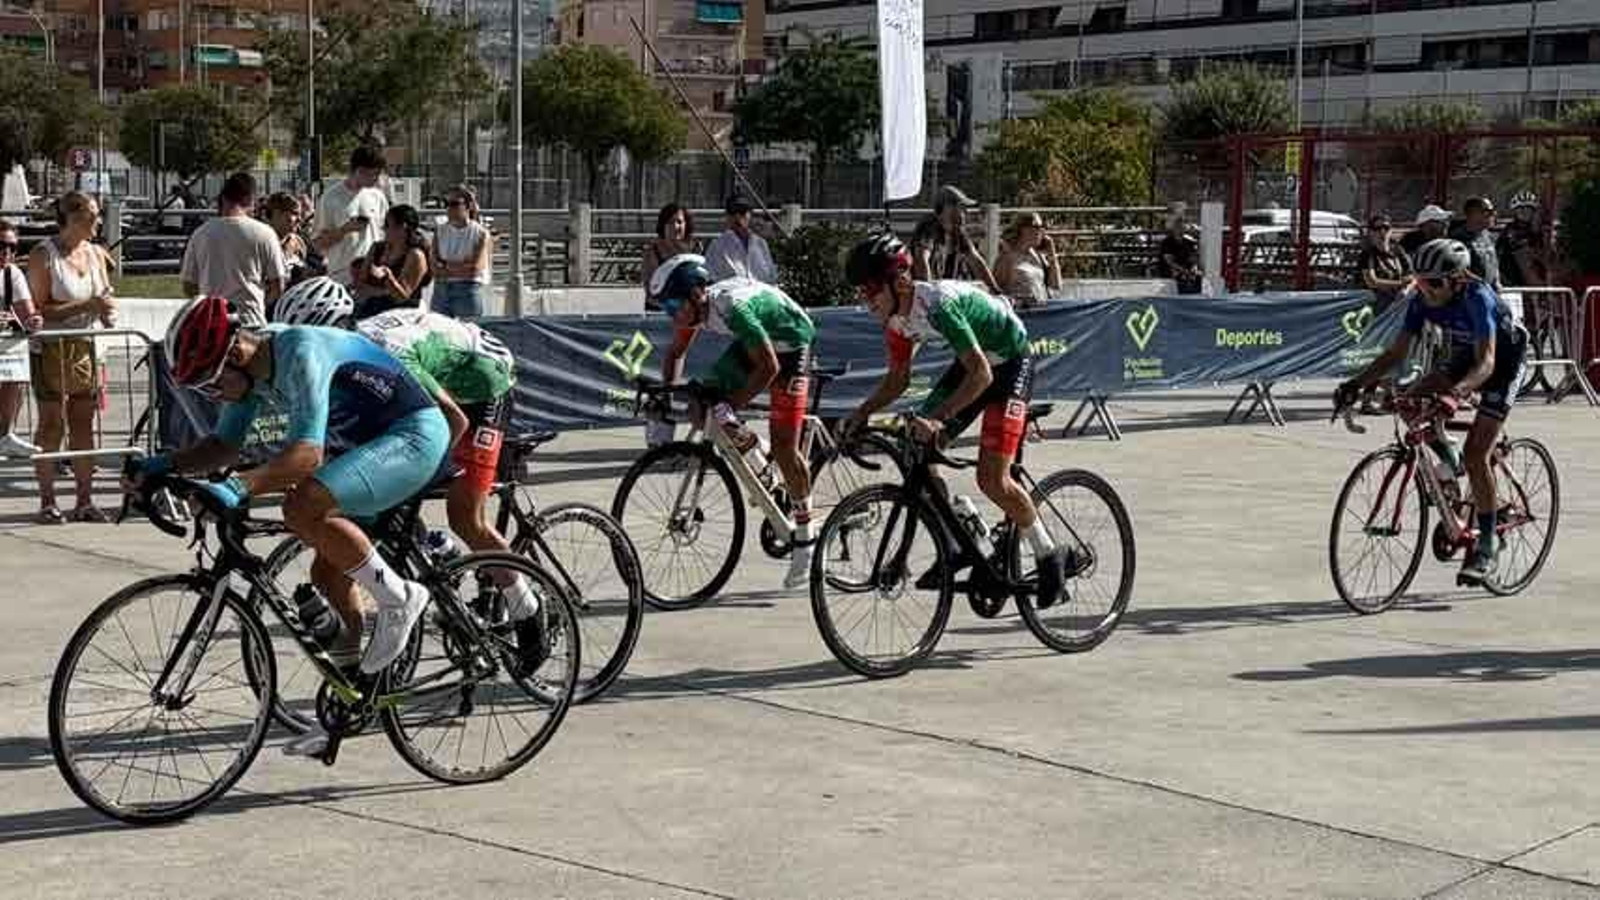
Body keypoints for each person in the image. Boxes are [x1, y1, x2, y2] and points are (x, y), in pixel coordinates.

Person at [131, 295, 548, 687]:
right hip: (389, 430)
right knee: (326, 570)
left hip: (474, 388)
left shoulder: (300, 351)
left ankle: (514, 604)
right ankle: (352, 680)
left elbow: (309, 455)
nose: (212, 395)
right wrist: (161, 465)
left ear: (235, 355)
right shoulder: (253, 369)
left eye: (209, 384)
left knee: (458, 514)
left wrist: (237, 487)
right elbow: (224, 444)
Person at [840, 233, 1072, 607]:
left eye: (869, 289)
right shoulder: (897, 319)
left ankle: (1049, 555)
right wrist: (862, 412)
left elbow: (982, 375)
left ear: (899, 282)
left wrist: (941, 422)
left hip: (1010, 364)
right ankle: (956, 541)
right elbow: (898, 379)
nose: (865, 299)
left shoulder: (939, 305)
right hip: (974, 365)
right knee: (918, 448)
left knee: (992, 479)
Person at [1337, 239, 1528, 587]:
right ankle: (1448, 460)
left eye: (1434, 283)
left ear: (1457, 279)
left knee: (1476, 454)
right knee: (1410, 402)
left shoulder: (1477, 297)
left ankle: (1487, 545)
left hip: (1502, 363)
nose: (1425, 289)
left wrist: (1455, 396)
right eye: (1420, 281)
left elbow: (1487, 363)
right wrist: (1356, 383)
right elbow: (1395, 353)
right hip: (1462, 357)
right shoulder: (1421, 300)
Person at [652, 254, 819, 588]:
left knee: (785, 445)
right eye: (666, 309)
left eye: (673, 305)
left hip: (792, 343)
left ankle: (806, 537)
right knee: (706, 400)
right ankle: (760, 456)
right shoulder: (694, 311)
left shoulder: (731, 307)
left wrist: (732, 406)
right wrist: (667, 397)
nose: (673, 315)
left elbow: (770, 368)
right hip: (759, 343)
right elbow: (675, 353)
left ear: (696, 294)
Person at [28, 192, 115, 524]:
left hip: (88, 348)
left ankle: (84, 500)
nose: (99, 220)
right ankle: (47, 500)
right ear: (73, 218)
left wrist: (106, 310)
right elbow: (38, 309)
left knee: (83, 424)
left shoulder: (95, 253)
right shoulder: (43, 255)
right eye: (93, 215)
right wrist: (87, 306)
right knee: (51, 425)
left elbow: (104, 295)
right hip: (50, 348)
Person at [179, 173, 287, 327]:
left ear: (223, 199)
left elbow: (188, 285)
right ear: (250, 199)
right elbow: (278, 285)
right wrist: (260, 303)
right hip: (251, 321)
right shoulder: (265, 233)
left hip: (212, 325)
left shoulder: (200, 234)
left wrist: (208, 305)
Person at [312, 144, 389, 290]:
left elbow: (385, 237)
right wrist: (344, 230)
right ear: (359, 170)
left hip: (372, 278)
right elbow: (317, 243)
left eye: (378, 174)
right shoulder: (330, 198)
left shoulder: (377, 196)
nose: (377, 179)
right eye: (374, 174)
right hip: (342, 279)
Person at [0, 220, 43, 458]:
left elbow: (29, 313)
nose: (7, 252)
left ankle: (5, 435)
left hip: (3, 346)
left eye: (13, 247)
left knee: (14, 372)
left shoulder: (12, 273)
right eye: (1, 246)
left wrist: (34, 320)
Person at [910, 184, 1002, 294]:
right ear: (948, 208)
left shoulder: (958, 231)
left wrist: (996, 291)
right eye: (962, 208)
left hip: (944, 292)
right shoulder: (929, 226)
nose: (966, 213)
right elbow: (921, 259)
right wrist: (930, 292)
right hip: (924, 295)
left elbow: (976, 261)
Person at [353, 204, 430, 319]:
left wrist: (388, 277)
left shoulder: (415, 255)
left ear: (403, 227)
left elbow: (402, 297)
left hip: (402, 317)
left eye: (387, 224)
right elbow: (360, 284)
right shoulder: (377, 248)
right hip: (371, 312)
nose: (383, 228)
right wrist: (384, 291)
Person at [431, 185, 492, 319]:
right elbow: (434, 269)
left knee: (470, 333)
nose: (448, 208)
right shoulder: (439, 231)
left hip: (468, 289)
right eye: (446, 204)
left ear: (468, 206)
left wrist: (445, 265)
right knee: (440, 335)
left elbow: (475, 269)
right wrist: (462, 266)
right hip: (441, 290)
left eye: (454, 204)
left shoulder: (481, 233)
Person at [705, 194, 778, 285]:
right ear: (727, 216)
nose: (738, 217)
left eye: (742, 212)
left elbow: (771, 277)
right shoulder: (717, 246)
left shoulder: (761, 244)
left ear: (750, 215)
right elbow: (710, 277)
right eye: (733, 212)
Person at [993, 212, 1061, 309]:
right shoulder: (1007, 257)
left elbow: (1056, 285)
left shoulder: (1038, 256)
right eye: (1038, 226)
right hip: (1020, 313)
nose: (1042, 231)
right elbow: (995, 291)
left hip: (1041, 311)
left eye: (1043, 227)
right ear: (1024, 229)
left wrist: (1052, 253)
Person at [642, 203, 695, 311]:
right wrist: (672, 307)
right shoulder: (652, 252)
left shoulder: (697, 250)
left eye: (679, 222)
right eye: (670, 222)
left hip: (689, 313)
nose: (675, 226)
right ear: (663, 225)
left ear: (686, 224)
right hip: (659, 311)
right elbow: (650, 292)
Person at [1496, 190, 1548, 288]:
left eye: (1528, 209)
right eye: (1521, 209)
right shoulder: (1510, 232)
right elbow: (1522, 260)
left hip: (1533, 283)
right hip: (1512, 283)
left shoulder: (1537, 231)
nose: (1525, 212)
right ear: (1515, 211)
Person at [1449, 196, 1501, 290]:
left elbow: (1493, 261)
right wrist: (1483, 285)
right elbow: (1460, 270)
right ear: (1473, 214)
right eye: (1488, 211)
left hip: (1488, 293)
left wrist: (1497, 281)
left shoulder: (1488, 235)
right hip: (1468, 296)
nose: (1493, 214)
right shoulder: (1457, 239)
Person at [264, 191, 312, 287]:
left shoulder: (298, 242)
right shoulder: (259, 242)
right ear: (277, 214)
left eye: (300, 214)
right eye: (294, 213)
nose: (299, 219)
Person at [1157, 213, 1203, 295]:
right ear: (1173, 228)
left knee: (1198, 275)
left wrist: (1194, 268)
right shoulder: (1167, 242)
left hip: (1186, 268)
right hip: (1172, 269)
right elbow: (1169, 261)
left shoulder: (1189, 242)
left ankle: (1195, 295)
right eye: (1178, 226)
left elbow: (1193, 259)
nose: (1180, 229)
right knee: (1178, 275)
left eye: (1182, 226)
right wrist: (1183, 270)